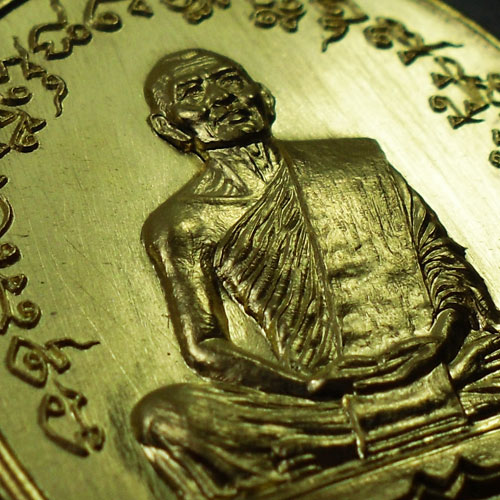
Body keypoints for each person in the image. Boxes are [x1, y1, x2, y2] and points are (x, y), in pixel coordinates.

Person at [131, 49, 500, 499]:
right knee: (164, 417)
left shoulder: (358, 159)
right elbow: (204, 345)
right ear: (168, 127)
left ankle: (356, 439)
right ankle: (400, 416)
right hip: (322, 399)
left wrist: (442, 337)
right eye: (192, 90)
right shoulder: (182, 222)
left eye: (229, 79)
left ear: (262, 95)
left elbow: (439, 257)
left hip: (447, 361)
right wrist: (308, 385)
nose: (220, 96)